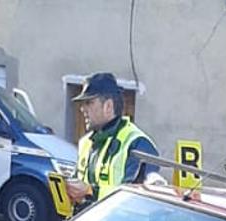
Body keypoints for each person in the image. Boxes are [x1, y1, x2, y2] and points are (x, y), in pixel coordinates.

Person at [67, 72, 158, 209]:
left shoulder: (137, 143)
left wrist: (90, 191)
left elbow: (137, 200)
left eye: (89, 103)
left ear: (108, 106)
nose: (82, 109)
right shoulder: (86, 143)